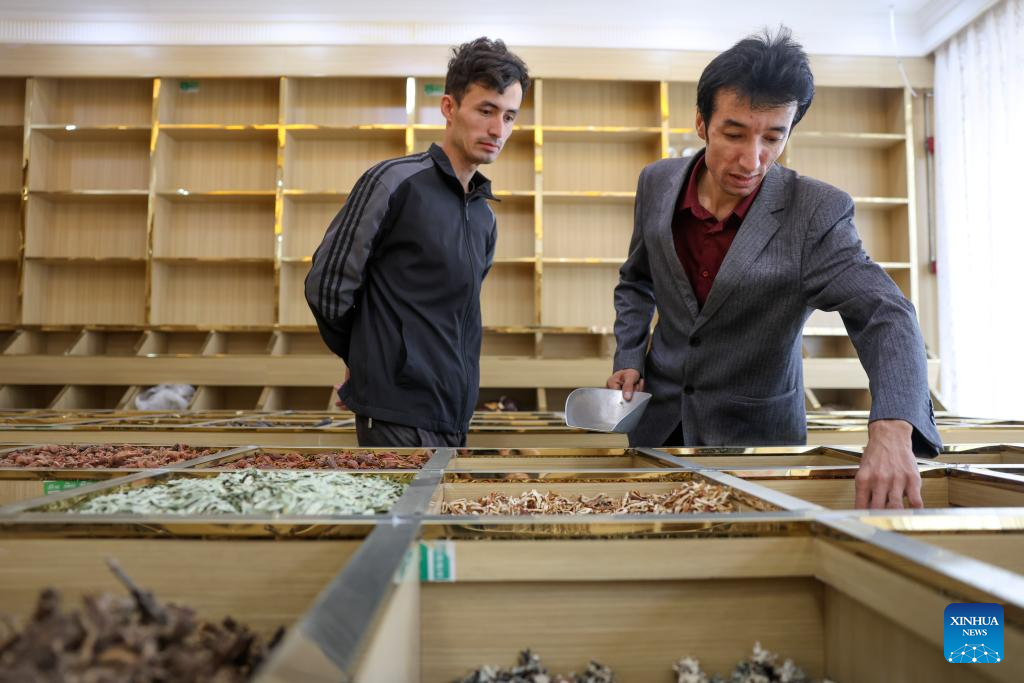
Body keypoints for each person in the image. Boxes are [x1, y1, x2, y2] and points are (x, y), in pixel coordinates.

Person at [606, 28, 941, 509]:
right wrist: (629, 356)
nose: (752, 159)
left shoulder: (817, 212)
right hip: (656, 429)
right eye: (734, 134)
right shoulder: (656, 182)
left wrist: (892, 428)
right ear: (701, 123)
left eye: (773, 137)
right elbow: (637, 280)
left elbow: (885, 313)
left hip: (759, 444)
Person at [306, 37, 529, 447]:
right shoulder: (392, 182)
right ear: (449, 108)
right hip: (394, 413)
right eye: (486, 111)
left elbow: (455, 315)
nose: (498, 129)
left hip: (454, 414)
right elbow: (327, 286)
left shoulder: (484, 216)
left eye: (509, 116)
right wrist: (365, 359)